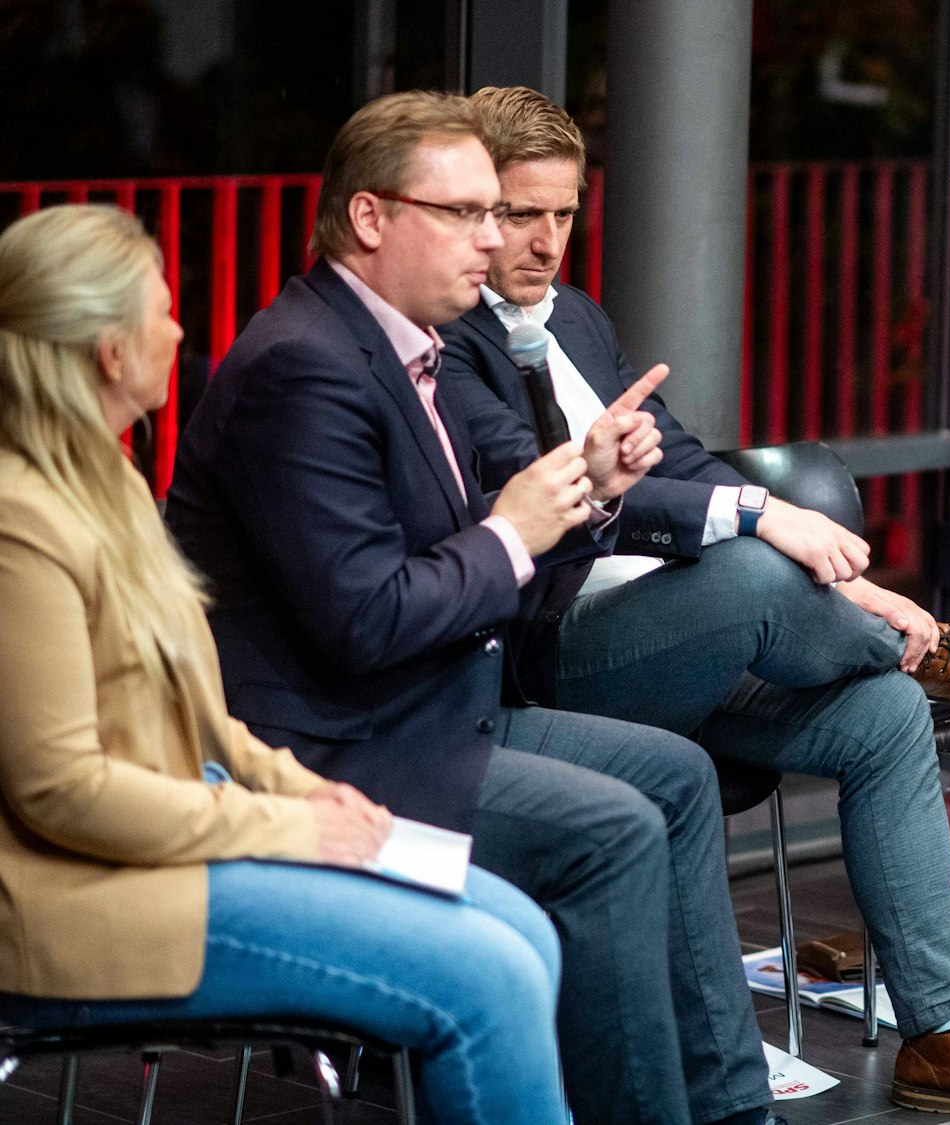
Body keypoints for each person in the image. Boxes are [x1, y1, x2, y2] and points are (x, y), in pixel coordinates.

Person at [435, 85, 950, 1125]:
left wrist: (812, 554)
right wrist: (760, 516)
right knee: (756, 568)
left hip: (677, 639)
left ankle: (941, 1035)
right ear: (476, 209)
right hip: (554, 653)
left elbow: (684, 455)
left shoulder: (572, 316)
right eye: (519, 214)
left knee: (883, 719)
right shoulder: (448, 338)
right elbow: (559, 489)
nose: (541, 242)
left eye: (562, 214)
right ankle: (922, 650)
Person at [164, 92, 774, 1125]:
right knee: (615, 827)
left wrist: (595, 480)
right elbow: (365, 620)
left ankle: (729, 1111)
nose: (494, 241)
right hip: (336, 751)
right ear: (369, 218)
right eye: (465, 214)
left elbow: (528, 497)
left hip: (436, 710)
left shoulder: (412, 349)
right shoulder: (303, 367)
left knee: (675, 775)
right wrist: (514, 533)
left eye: (503, 213)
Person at [0, 204, 567, 1123]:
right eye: (161, 309)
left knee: (526, 932)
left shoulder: (100, 481)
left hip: (186, 846)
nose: (180, 328)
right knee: (491, 975)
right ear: (109, 351)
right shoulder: (20, 522)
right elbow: (63, 790)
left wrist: (300, 790)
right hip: (91, 897)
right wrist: (281, 828)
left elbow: (190, 713)